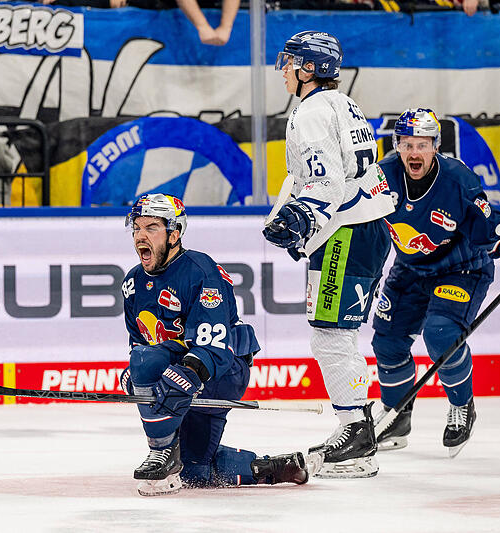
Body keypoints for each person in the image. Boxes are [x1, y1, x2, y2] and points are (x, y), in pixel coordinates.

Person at [372, 108, 500, 457]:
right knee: (387, 341)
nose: (414, 153)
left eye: (423, 144)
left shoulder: (457, 179)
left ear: (435, 146)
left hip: (461, 269)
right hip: (410, 269)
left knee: (441, 334)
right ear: (396, 146)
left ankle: (461, 404)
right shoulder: (382, 177)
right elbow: (352, 213)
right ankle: (397, 415)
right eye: (407, 144)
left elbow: (491, 223)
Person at [121, 193, 316, 496]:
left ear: (174, 234)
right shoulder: (133, 283)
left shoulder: (201, 271)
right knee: (195, 471)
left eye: (151, 228)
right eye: (136, 228)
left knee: (152, 365)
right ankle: (275, 467)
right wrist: (136, 375)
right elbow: (140, 344)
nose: (140, 236)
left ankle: (162, 453)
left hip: (225, 370)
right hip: (179, 363)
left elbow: (213, 347)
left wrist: (182, 374)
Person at [263, 31, 394, 478]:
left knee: (331, 335)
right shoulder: (344, 103)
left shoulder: (312, 112)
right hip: (366, 226)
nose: (284, 69)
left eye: (290, 61)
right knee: (339, 334)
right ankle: (358, 430)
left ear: (309, 68)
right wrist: (290, 217)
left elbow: (326, 180)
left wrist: (302, 218)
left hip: (347, 231)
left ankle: (355, 432)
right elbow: (323, 174)